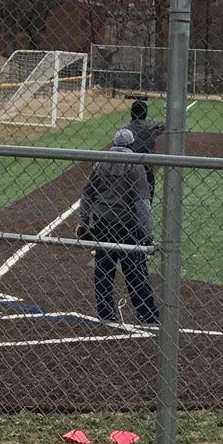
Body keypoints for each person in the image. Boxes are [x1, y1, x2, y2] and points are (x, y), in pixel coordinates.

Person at [77, 126, 157, 324]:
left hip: (103, 223)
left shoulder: (101, 163)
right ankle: (147, 314)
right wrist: (148, 233)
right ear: (131, 144)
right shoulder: (134, 165)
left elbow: (87, 195)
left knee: (104, 269)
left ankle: (105, 312)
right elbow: (142, 203)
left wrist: (84, 222)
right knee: (135, 271)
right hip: (127, 225)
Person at [126, 98, 161, 196]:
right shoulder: (151, 127)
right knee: (147, 196)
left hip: (128, 167)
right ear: (145, 113)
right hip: (146, 168)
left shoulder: (125, 128)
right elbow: (163, 126)